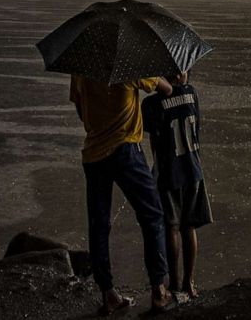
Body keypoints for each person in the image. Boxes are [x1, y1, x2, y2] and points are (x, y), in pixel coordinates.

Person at [70, 74, 176, 315]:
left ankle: (108, 294)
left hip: (93, 154)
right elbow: (166, 89)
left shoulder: (81, 68)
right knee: (152, 216)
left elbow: (80, 110)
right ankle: (159, 290)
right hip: (125, 149)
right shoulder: (127, 65)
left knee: (99, 224)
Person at [141, 71, 213, 299]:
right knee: (188, 227)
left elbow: (154, 141)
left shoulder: (152, 103)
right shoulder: (192, 94)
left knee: (170, 227)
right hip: (193, 169)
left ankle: (173, 283)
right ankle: (189, 283)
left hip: (169, 172)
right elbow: (196, 130)